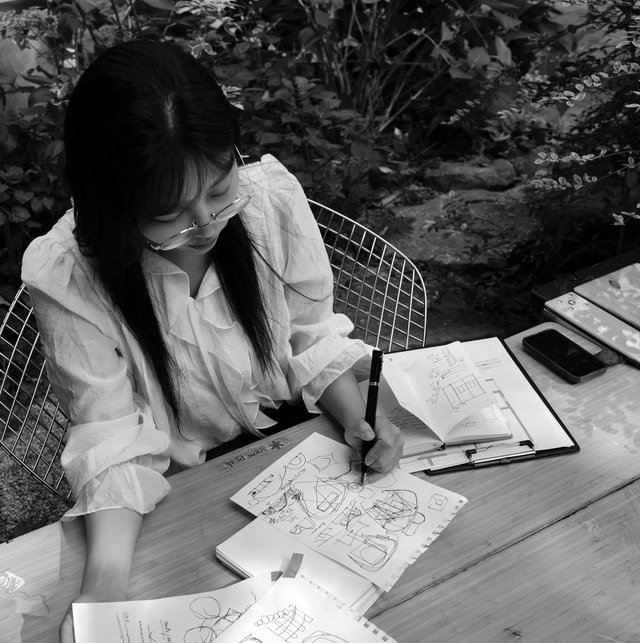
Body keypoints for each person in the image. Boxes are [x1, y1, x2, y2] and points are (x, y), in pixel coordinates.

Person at [21, 40, 403, 641]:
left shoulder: (269, 202)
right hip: (185, 493)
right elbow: (110, 437)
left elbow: (310, 336)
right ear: (113, 204)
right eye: (167, 214)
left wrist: (359, 415)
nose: (205, 224)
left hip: (301, 458)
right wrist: (106, 586)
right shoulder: (70, 274)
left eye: (221, 189)